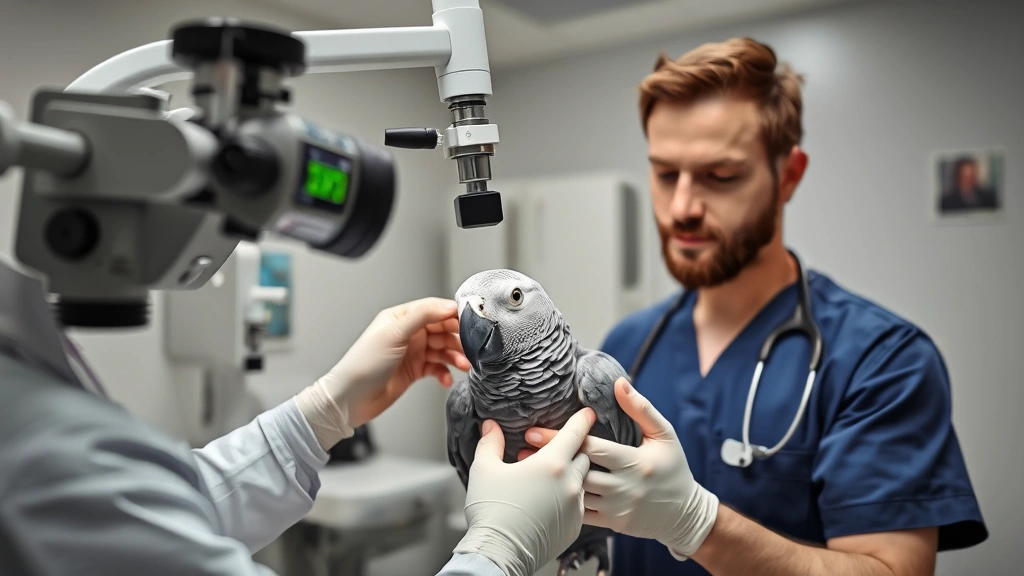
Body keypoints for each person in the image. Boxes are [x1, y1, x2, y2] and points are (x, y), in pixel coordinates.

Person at [521, 37, 987, 575]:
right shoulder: (629, 344)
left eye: (721, 176)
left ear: (788, 175)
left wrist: (697, 524)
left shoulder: (882, 360)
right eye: (666, 173)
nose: (682, 208)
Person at [0, 254, 594, 576]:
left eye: (511, 300)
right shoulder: (38, 446)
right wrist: (496, 550)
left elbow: (167, 506)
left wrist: (324, 410)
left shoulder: (593, 378)